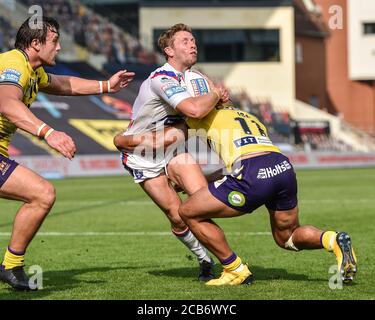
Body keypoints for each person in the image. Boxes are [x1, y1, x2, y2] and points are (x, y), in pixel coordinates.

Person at [116, 71, 358, 286]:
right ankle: (334, 240)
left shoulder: (201, 117)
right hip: (281, 167)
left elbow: (159, 141)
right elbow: (233, 166)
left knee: (187, 212)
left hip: (252, 173)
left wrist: (121, 141)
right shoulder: (247, 115)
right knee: (287, 237)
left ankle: (234, 269)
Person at [0, 16, 135, 291]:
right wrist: (49, 132)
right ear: (36, 43)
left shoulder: (32, 70)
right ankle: (11, 266)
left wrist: (106, 86)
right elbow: (5, 102)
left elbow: (63, 84)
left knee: (41, 194)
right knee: (42, 193)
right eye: (55, 41)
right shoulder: (14, 64)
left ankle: (11, 266)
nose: (59, 47)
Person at [114, 23, 230, 282]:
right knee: (178, 217)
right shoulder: (161, 79)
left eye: (193, 40)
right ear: (169, 50)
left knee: (200, 206)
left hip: (174, 147)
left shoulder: (195, 77)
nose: (193, 44)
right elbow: (196, 111)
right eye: (185, 41)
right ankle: (204, 260)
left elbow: (216, 102)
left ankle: (232, 265)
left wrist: (218, 97)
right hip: (142, 152)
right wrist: (214, 96)